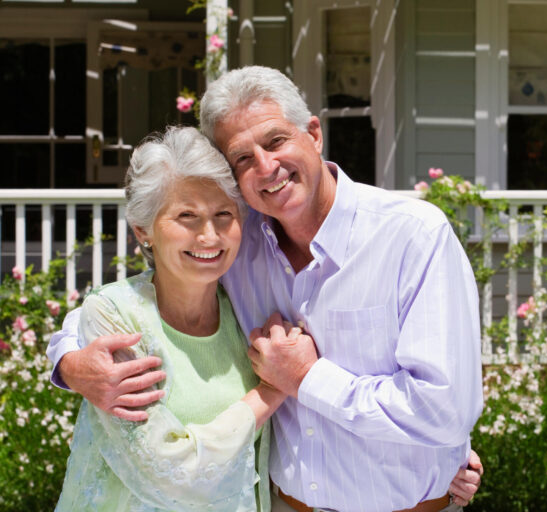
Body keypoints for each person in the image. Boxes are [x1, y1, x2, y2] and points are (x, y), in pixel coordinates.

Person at [48, 65, 484, 511]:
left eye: (276, 141)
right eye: (241, 158)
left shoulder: (412, 236)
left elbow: (442, 410)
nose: (266, 166)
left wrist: (306, 378)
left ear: (313, 134)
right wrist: (69, 362)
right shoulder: (235, 241)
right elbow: (136, 304)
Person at [55, 126, 286, 511]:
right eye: (187, 216)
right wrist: (271, 392)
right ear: (143, 230)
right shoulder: (116, 316)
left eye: (223, 214)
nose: (209, 236)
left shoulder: (247, 311)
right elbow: (170, 472)